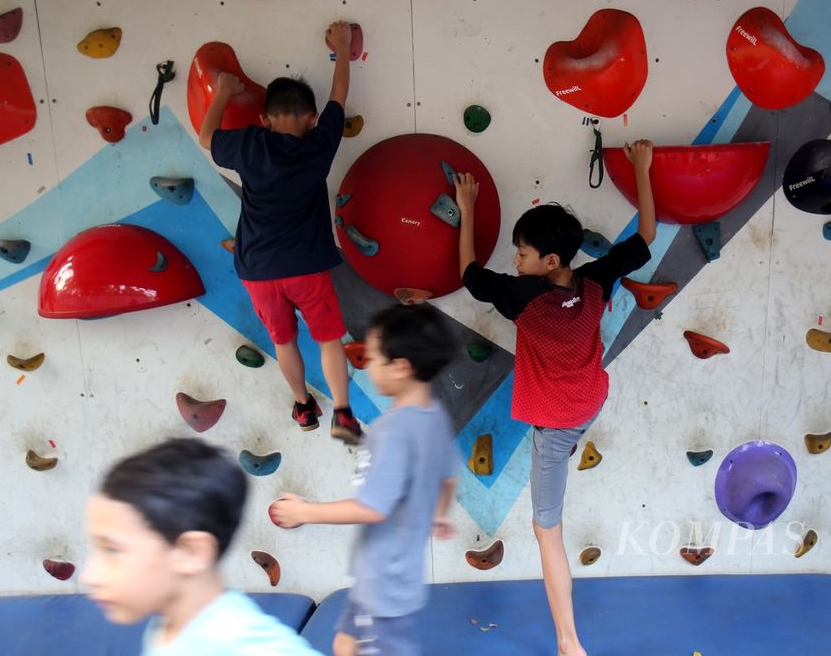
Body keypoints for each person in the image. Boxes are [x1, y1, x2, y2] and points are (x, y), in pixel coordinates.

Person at [454, 141, 657, 656]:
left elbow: (469, 276)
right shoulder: (594, 279)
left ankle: (569, 643)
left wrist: (469, 209)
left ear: (548, 261)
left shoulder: (521, 295)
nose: (514, 261)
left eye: (521, 254)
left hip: (559, 423)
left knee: (547, 531)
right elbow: (647, 236)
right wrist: (641, 169)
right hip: (589, 400)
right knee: (568, 426)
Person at [198, 21, 360, 445]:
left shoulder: (251, 143)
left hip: (257, 269)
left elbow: (206, 137)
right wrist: (342, 48)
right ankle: (342, 415)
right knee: (328, 341)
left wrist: (224, 93)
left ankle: (303, 405)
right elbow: (338, 96)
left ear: (266, 118)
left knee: (284, 342)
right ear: (310, 118)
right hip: (306, 268)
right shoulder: (319, 145)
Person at [269, 304, 459, 656]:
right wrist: (438, 514)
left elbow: (373, 507)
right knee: (345, 643)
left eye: (372, 358)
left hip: (383, 575)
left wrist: (305, 513)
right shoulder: (433, 416)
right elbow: (447, 477)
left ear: (400, 367)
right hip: (392, 568)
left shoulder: (395, 430)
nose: (367, 366)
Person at [83, 438, 321, 655]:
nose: (89, 576)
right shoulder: (167, 626)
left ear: (191, 552)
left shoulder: (243, 644)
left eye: (112, 550)